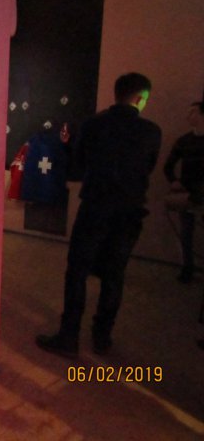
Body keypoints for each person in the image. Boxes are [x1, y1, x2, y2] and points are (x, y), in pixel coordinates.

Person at [36, 72, 162, 357]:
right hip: (129, 212)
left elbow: (78, 166)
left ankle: (69, 337)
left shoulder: (93, 125)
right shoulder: (152, 132)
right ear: (140, 98)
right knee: (114, 275)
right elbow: (148, 168)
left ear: (116, 93)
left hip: (95, 208)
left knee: (77, 273)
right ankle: (102, 337)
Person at [163, 97, 204, 283]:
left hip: (195, 193)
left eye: (192, 112)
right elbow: (168, 166)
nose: (188, 116)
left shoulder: (185, 141)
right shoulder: (184, 141)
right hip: (187, 194)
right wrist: (173, 181)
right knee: (185, 233)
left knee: (188, 231)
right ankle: (187, 268)